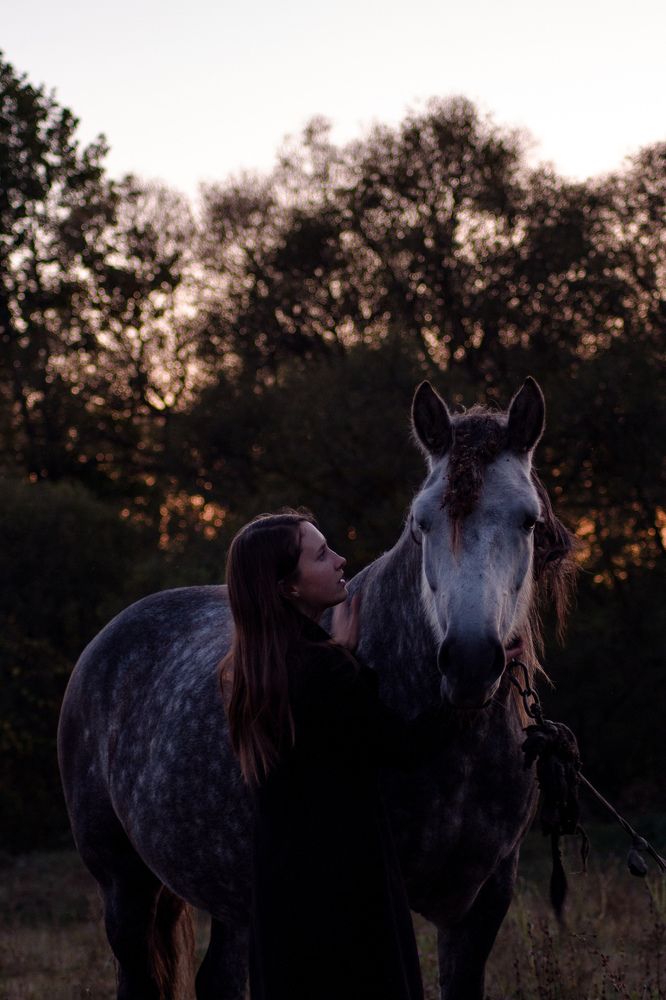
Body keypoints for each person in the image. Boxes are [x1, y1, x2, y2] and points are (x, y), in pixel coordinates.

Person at [221, 509, 451, 1000]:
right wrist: (472, 698)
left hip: (284, 889)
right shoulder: (324, 673)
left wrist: (340, 653)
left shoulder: (253, 670)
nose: (341, 559)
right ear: (289, 588)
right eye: (321, 555)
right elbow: (405, 748)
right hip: (344, 887)